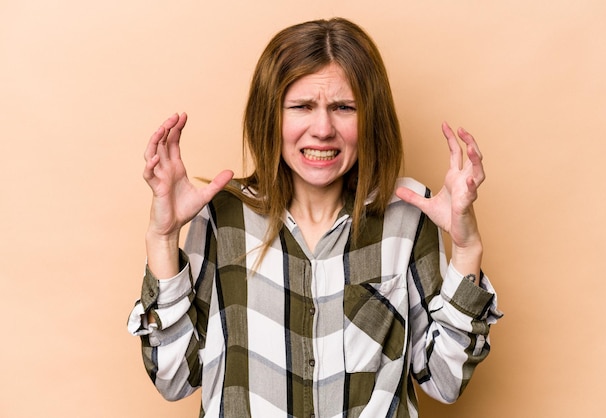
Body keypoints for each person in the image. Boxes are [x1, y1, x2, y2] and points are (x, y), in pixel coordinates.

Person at [127, 17, 502, 418]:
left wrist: (466, 248)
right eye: (302, 107)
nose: (322, 129)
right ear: (270, 115)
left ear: (369, 117)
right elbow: (175, 378)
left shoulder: (408, 212)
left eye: (343, 108)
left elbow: (444, 382)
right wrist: (163, 238)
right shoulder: (223, 217)